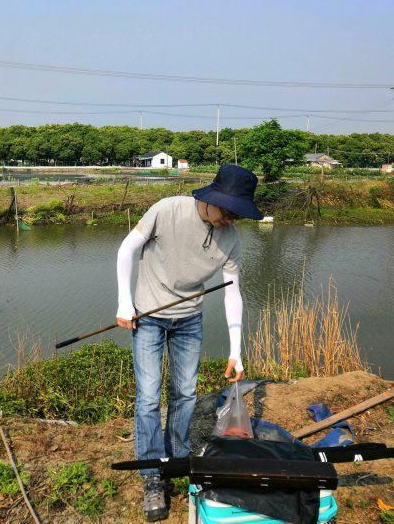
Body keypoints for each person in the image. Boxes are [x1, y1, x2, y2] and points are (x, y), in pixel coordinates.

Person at [115, 164, 263, 521]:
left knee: (185, 393)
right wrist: (124, 302)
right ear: (211, 199)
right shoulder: (168, 209)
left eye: (237, 215)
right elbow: (127, 249)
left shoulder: (230, 238)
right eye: (227, 211)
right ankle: (152, 475)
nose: (230, 220)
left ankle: (177, 459)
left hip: (189, 319)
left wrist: (236, 350)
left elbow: (232, 294)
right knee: (149, 396)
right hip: (149, 314)